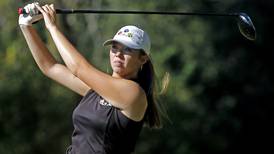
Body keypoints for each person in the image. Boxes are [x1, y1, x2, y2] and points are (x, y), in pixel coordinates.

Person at [19, 2, 168, 154]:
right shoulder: (96, 90)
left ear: (143, 59)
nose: (118, 54)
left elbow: (78, 68)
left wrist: (52, 27)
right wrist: (26, 26)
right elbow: (50, 67)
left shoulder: (134, 93)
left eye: (127, 49)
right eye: (115, 47)